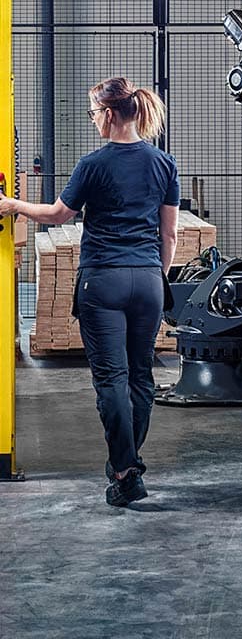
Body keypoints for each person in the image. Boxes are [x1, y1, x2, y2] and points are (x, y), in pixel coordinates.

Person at [0, 77, 179, 508]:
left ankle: (124, 470)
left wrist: (11, 205)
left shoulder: (93, 164)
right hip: (150, 281)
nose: (93, 120)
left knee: (112, 379)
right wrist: (155, 273)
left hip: (104, 281)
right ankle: (128, 459)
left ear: (111, 114)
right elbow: (169, 234)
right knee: (141, 377)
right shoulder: (164, 163)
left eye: (94, 113)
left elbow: (59, 214)